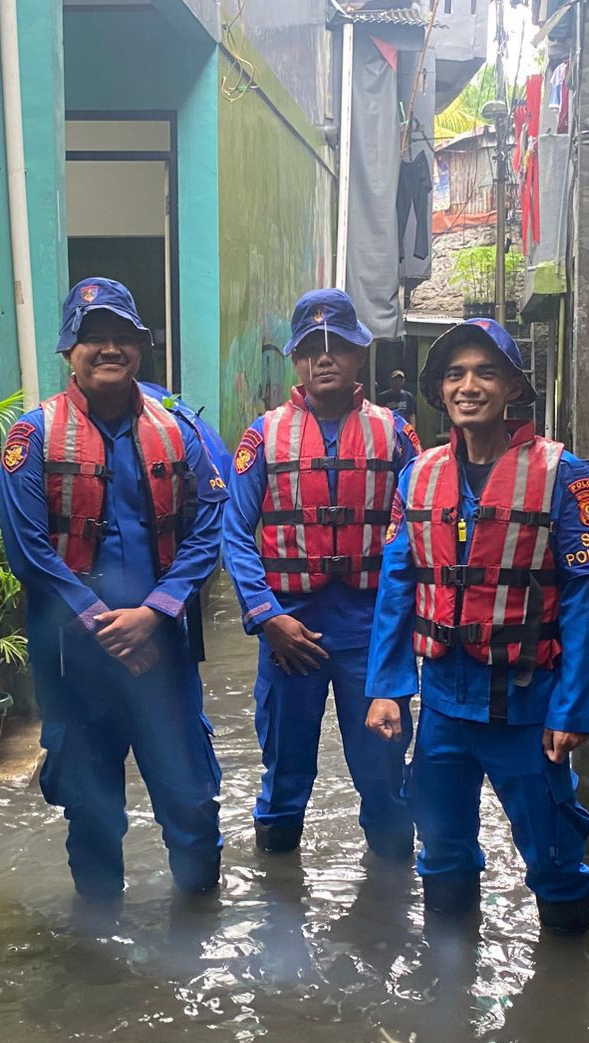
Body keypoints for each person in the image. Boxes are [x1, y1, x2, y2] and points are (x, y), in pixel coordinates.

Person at [364, 318, 589, 934]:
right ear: (439, 389)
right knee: (442, 854)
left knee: (556, 857)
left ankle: (566, 1003)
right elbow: (398, 585)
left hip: (529, 710)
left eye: (485, 372)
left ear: (511, 387)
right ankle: (447, 998)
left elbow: (586, 597)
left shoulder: (565, 475)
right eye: (455, 374)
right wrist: (387, 685)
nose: (468, 385)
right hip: (445, 709)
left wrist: (576, 709)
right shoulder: (418, 475)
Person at [0, 277, 227, 900]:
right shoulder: (33, 437)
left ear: (140, 348)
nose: (109, 350)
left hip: (163, 653)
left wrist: (153, 614)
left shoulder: (182, 432)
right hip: (76, 662)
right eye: (93, 337)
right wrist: (106, 623)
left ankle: (196, 939)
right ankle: (99, 957)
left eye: (121, 337)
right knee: (92, 813)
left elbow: (210, 533)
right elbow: (28, 550)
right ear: (69, 349)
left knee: (190, 802)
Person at [223, 288, 419, 859]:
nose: (323, 358)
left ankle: (390, 915)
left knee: (383, 774)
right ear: (296, 361)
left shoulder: (395, 434)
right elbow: (235, 533)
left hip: (373, 630)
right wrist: (266, 617)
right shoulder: (263, 436)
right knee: (284, 775)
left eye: (336, 346)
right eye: (310, 348)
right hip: (290, 629)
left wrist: (409, 628)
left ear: (360, 354)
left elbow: (421, 529)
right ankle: (277, 903)